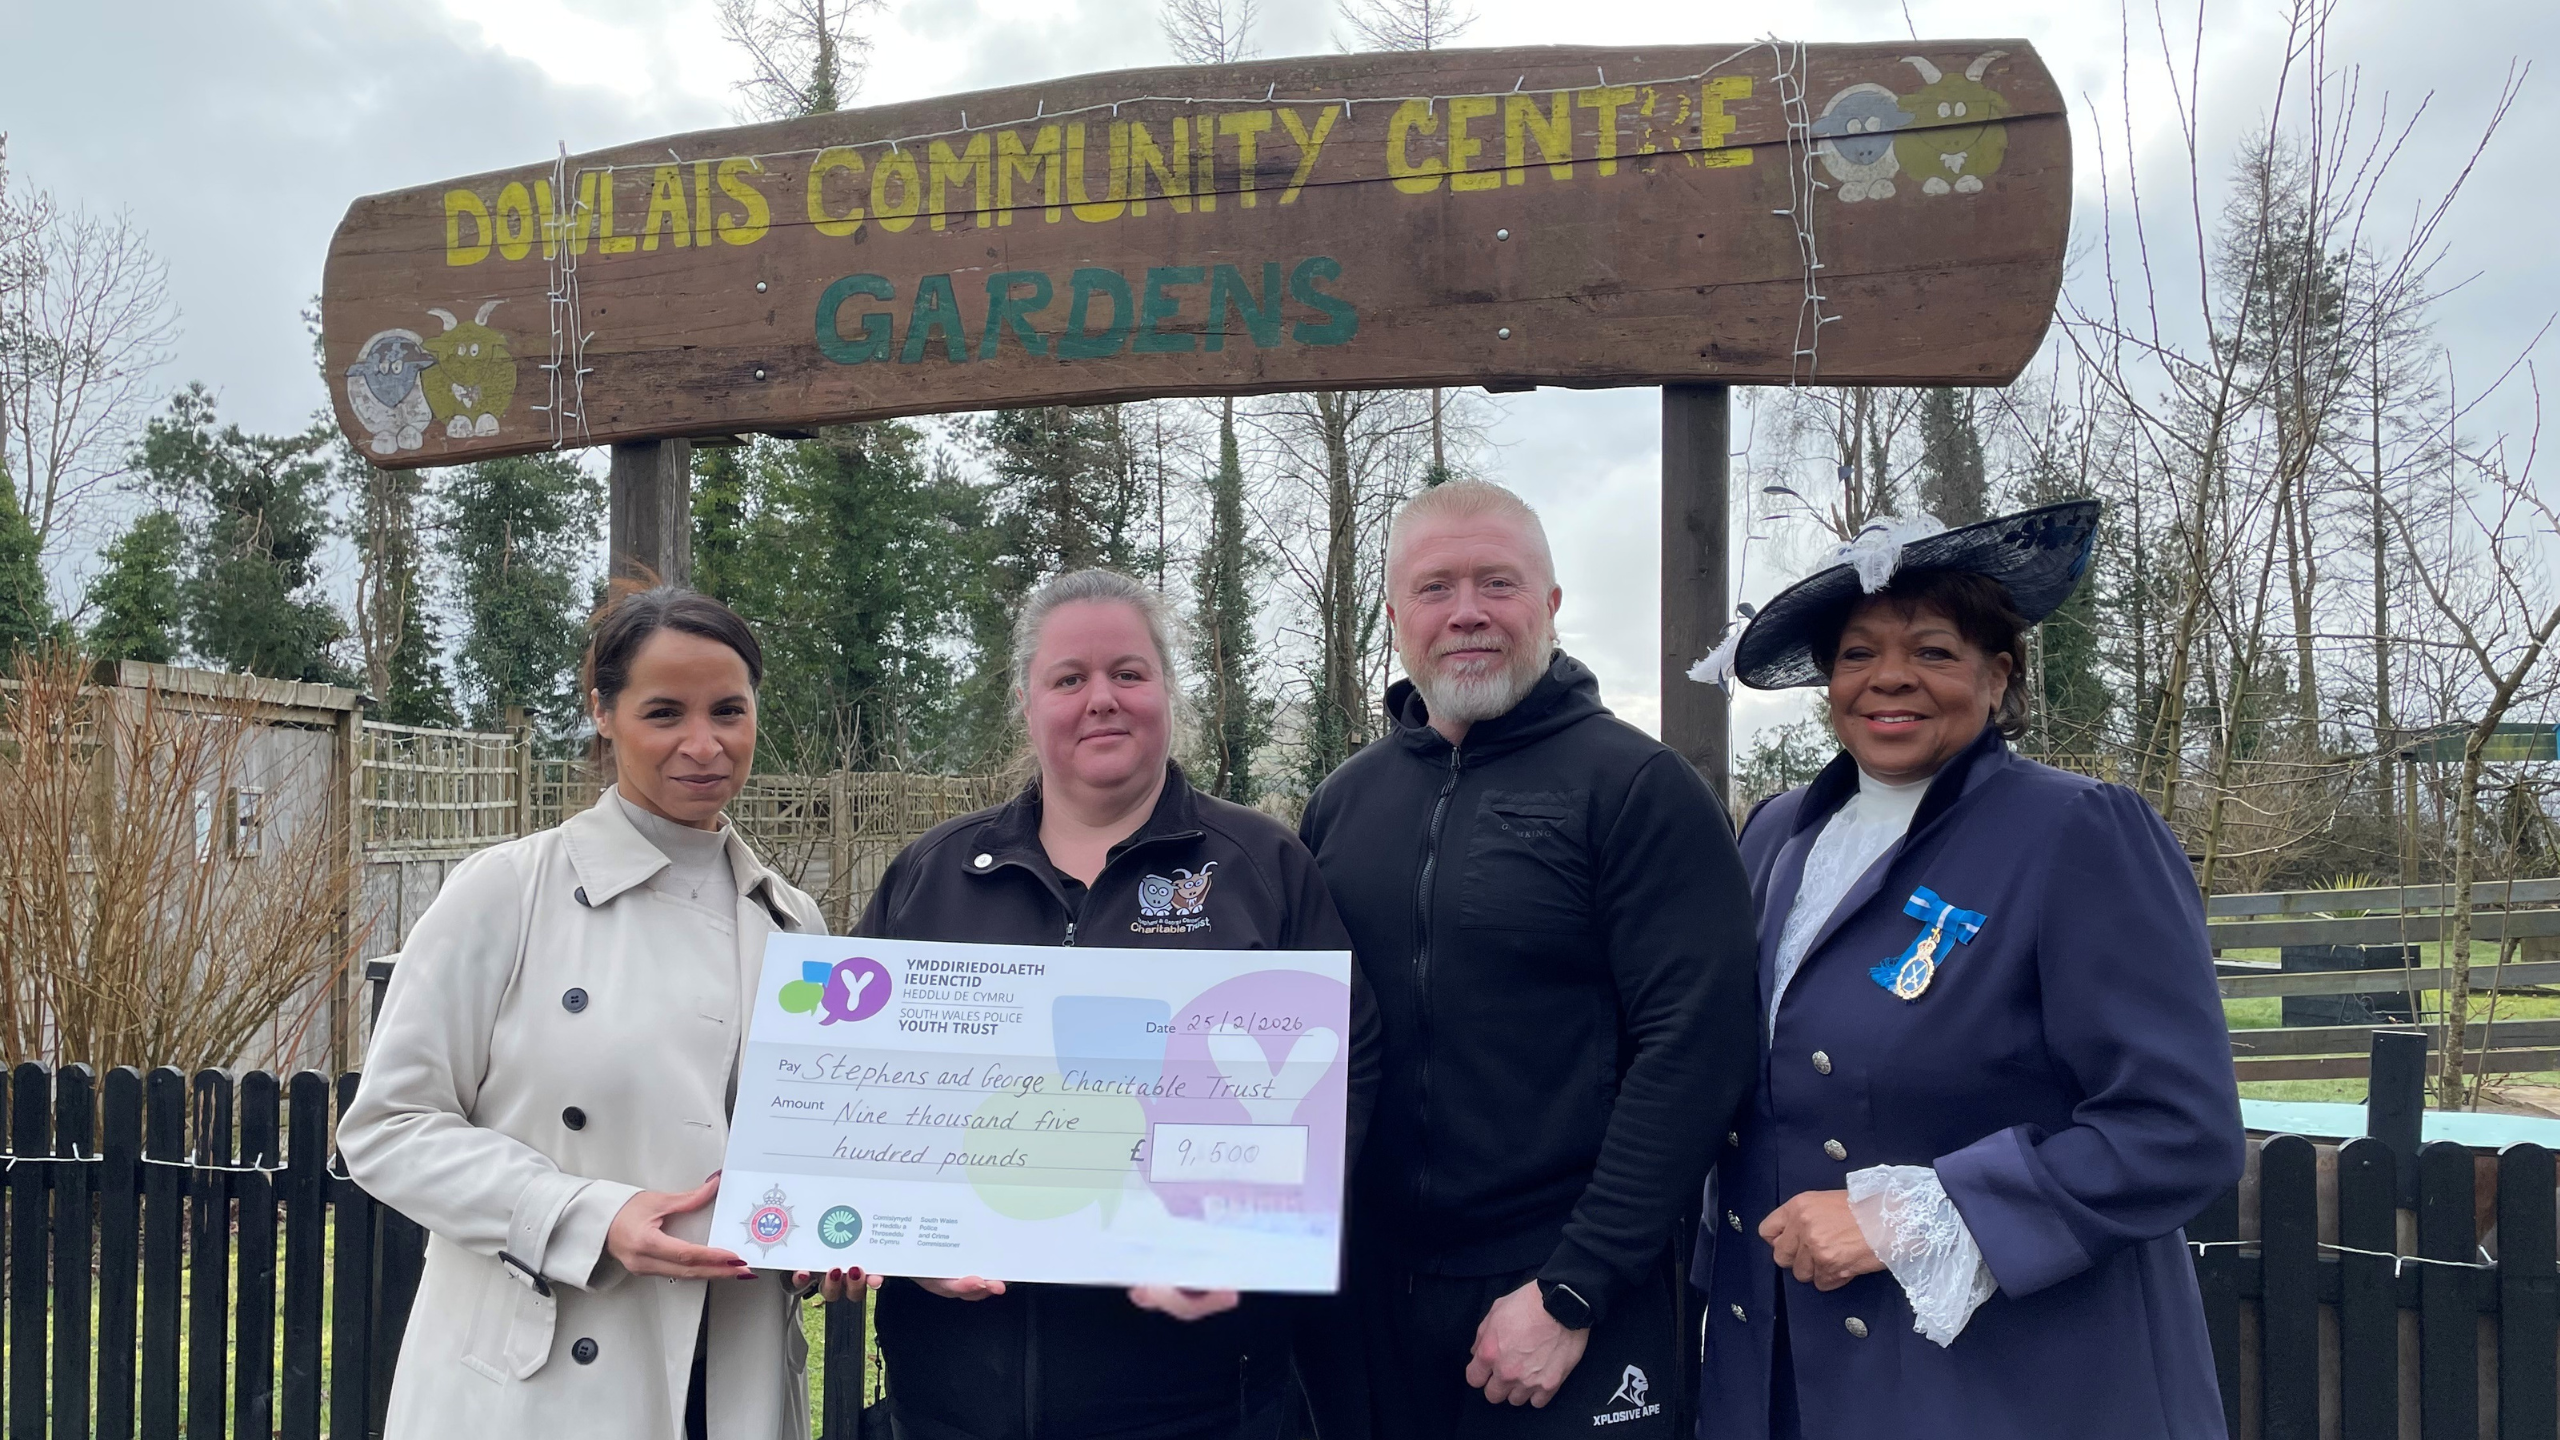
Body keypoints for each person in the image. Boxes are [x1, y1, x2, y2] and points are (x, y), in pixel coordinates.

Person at [1691, 502, 2245, 1439]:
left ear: (1999, 676)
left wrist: (1914, 1215)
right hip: (1784, 1372)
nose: (1890, 678)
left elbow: (2177, 1127)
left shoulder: (2079, 832)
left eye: (1935, 652)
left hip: (2006, 1383)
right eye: (1858, 654)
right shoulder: (1778, 832)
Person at [856, 567, 1378, 1440]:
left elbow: (1346, 1073)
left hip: (1201, 1402)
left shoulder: (1261, 868)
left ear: (1167, 691)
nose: (1102, 699)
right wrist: (905, 1244)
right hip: (954, 1399)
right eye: (1070, 679)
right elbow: (861, 1088)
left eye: (1128, 673)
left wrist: (1250, 1251)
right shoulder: (932, 875)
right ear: (1029, 702)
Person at [340, 584, 864, 1440]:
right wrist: (585, 1215)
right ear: (602, 713)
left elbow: (796, 1154)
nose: (705, 745)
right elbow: (388, 1129)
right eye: (664, 713)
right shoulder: (508, 891)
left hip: (731, 1381)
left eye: (729, 710)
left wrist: (829, 1237)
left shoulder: (791, 921)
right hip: (543, 1383)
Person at [1298, 480, 1760, 1437]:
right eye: (1435, 588)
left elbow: (1696, 1050)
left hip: (1568, 1296)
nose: (1467, 612)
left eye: (1497, 583)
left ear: (1550, 606)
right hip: (1370, 1296)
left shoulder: (1637, 789)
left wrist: (1574, 1288)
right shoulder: (1345, 805)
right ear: (1395, 617)